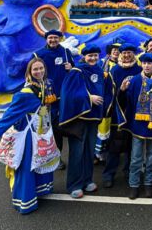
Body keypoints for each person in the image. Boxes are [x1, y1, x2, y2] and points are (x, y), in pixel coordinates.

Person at [0, 57, 56, 214]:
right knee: (28, 165)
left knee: (41, 161)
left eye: (41, 68)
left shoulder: (46, 84)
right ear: (29, 72)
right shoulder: (25, 93)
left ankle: (40, 189)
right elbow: (10, 114)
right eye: (35, 69)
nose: (39, 71)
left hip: (41, 130)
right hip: (29, 135)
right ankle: (25, 201)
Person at [59, 45, 106, 198]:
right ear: (84, 57)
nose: (93, 58)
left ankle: (87, 180)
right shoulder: (76, 71)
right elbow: (68, 93)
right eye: (90, 56)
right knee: (77, 153)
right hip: (78, 119)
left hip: (93, 119)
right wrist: (89, 98)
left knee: (89, 152)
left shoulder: (99, 70)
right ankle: (74, 184)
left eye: (95, 55)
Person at [117, 53, 152, 199]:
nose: (147, 66)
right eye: (144, 63)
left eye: (150, 63)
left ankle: (148, 183)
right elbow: (125, 102)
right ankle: (134, 185)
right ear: (141, 64)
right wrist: (122, 90)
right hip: (137, 124)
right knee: (136, 157)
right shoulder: (135, 80)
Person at [102, 43, 141, 188]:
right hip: (117, 114)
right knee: (114, 146)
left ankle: (128, 172)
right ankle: (109, 174)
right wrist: (121, 91)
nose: (126, 55)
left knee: (132, 147)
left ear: (133, 54)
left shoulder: (139, 70)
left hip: (134, 114)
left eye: (129, 53)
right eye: (124, 53)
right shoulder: (114, 71)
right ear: (120, 54)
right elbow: (108, 93)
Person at [35, 30, 73, 155]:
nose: (53, 40)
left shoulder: (66, 53)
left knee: (58, 128)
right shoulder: (38, 54)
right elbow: (31, 74)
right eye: (50, 38)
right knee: (43, 127)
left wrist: (71, 68)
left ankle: (57, 156)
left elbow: (74, 71)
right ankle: (41, 155)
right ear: (46, 39)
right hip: (43, 99)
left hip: (61, 98)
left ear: (60, 39)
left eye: (55, 38)